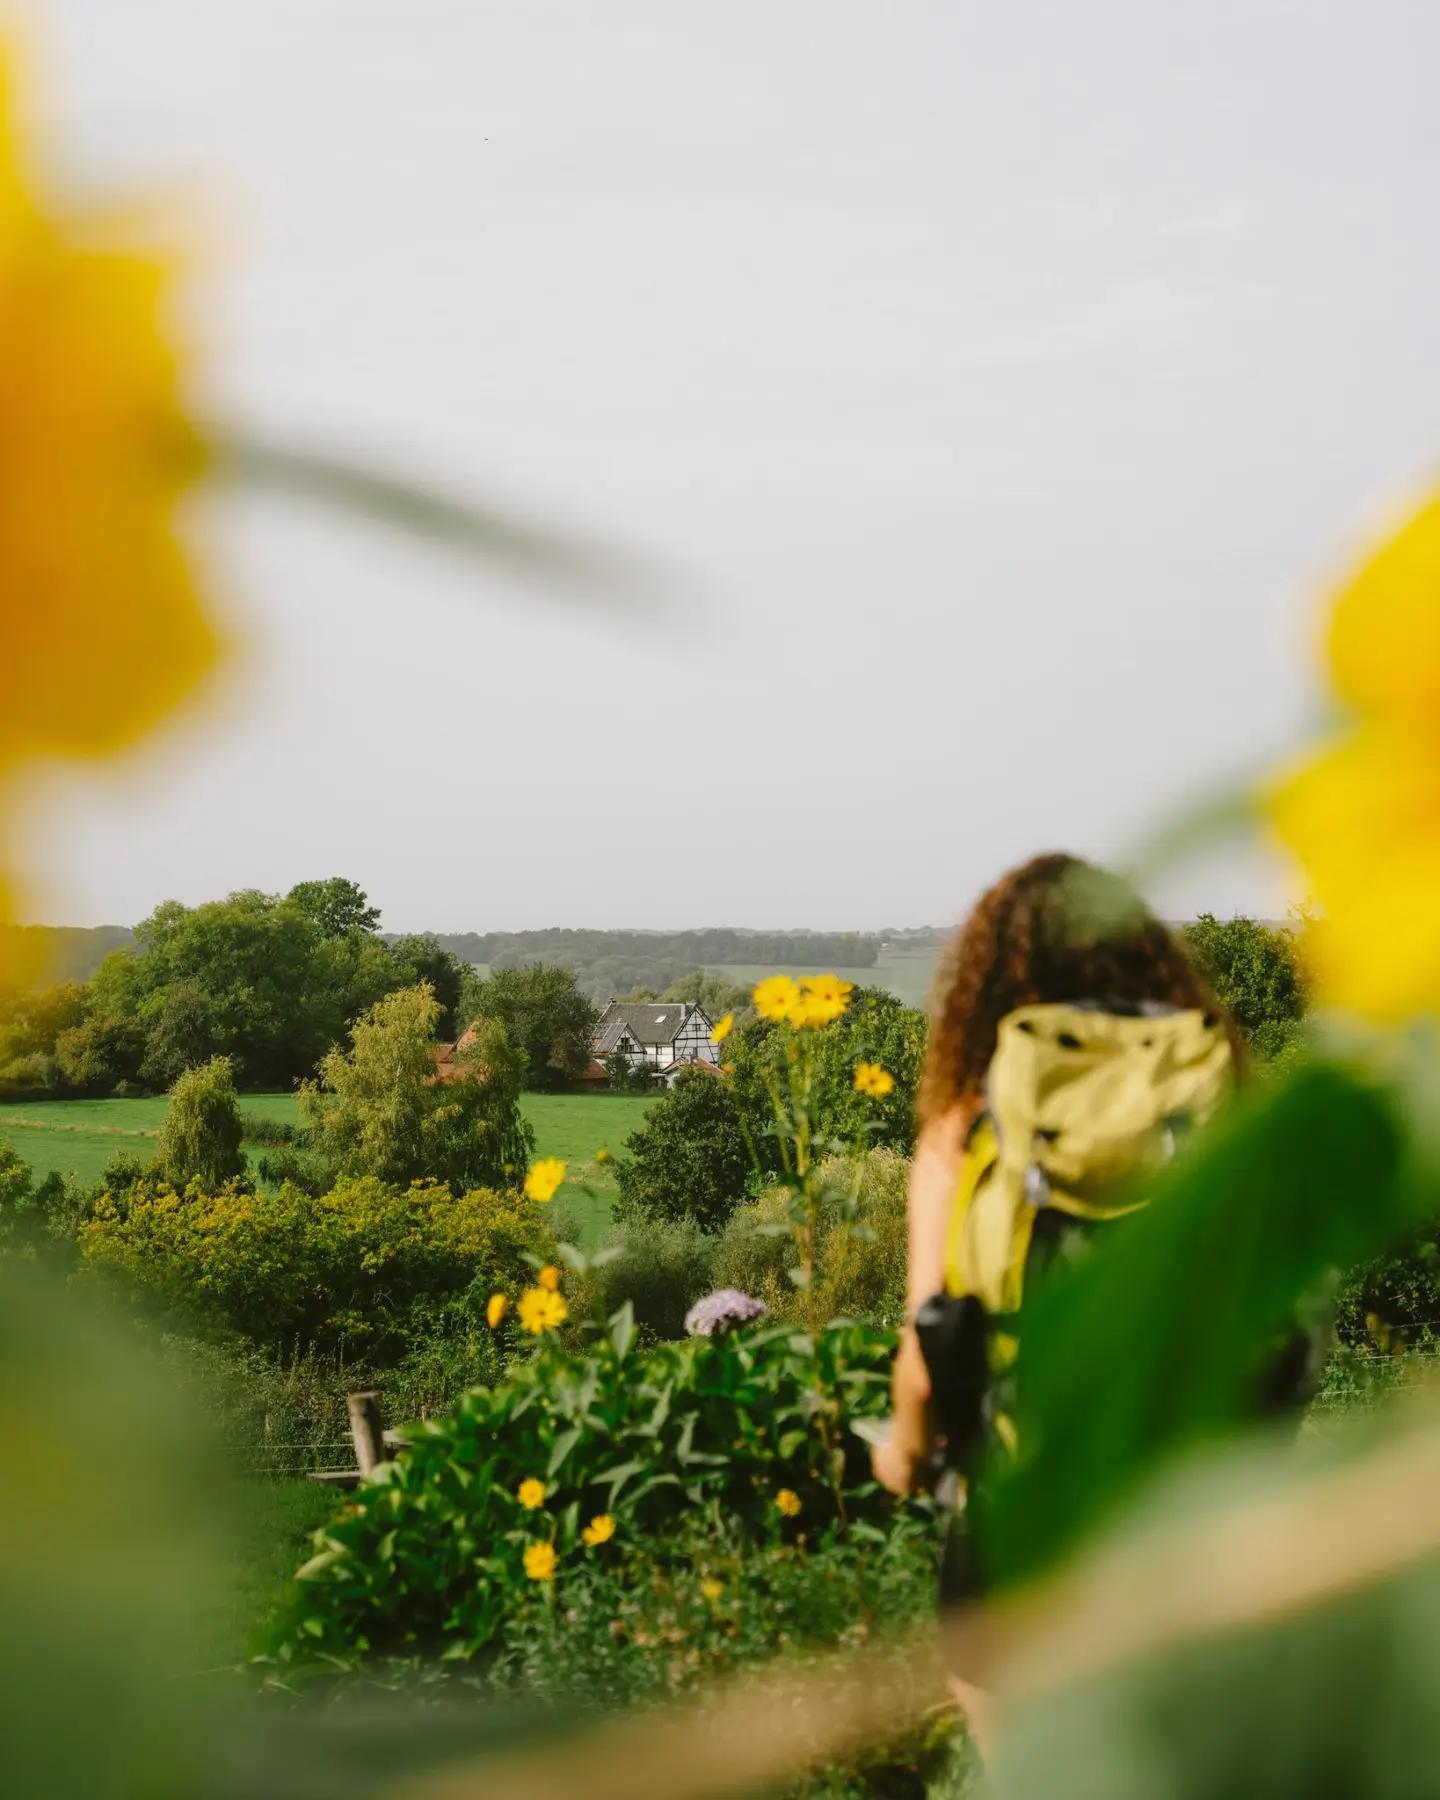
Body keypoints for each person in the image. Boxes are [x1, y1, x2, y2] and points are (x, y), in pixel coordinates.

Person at [871, 852, 1242, 1752]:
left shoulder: (964, 1129)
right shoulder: (1212, 1101)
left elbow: (928, 1357)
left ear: (985, 982)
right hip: (1201, 1523)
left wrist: (903, 1457)